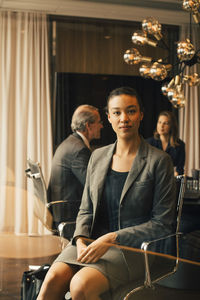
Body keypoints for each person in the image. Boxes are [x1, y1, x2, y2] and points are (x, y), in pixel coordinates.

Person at [37, 87, 176, 300]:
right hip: (91, 242)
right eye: (117, 112)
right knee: (52, 279)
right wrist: (81, 238)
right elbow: (86, 208)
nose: (124, 118)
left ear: (141, 114)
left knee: (80, 285)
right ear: (109, 117)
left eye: (131, 111)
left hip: (134, 250)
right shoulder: (97, 157)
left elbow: (162, 224)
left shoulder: (159, 161)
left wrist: (112, 238)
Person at [47, 104, 103, 238]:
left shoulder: (70, 143)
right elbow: (92, 185)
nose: (102, 126)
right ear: (88, 125)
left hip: (59, 210)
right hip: (69, 213)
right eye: (99, 122)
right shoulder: (79, 150)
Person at [146, 110, 185, 176]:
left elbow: (179, 169)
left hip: (172, 180)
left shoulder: (180, 145)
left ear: (171, 126)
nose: (161, 126)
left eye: (165, 123)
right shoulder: (149, 143)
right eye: (159, 122)